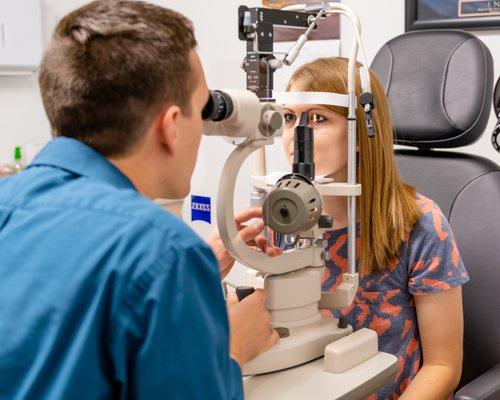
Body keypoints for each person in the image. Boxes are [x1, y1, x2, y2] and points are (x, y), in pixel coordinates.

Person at [0, 1, 279, 399]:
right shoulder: (163, 251)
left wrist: (186, 278)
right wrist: (232, 350)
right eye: (202, 109)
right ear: (170, 127)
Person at [281, 57, 469, 399]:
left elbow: (443, 367)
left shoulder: (419, 225)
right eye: (289, 118)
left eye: (317, 119)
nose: (297, 135)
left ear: (359, 136)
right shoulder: (283, 219)